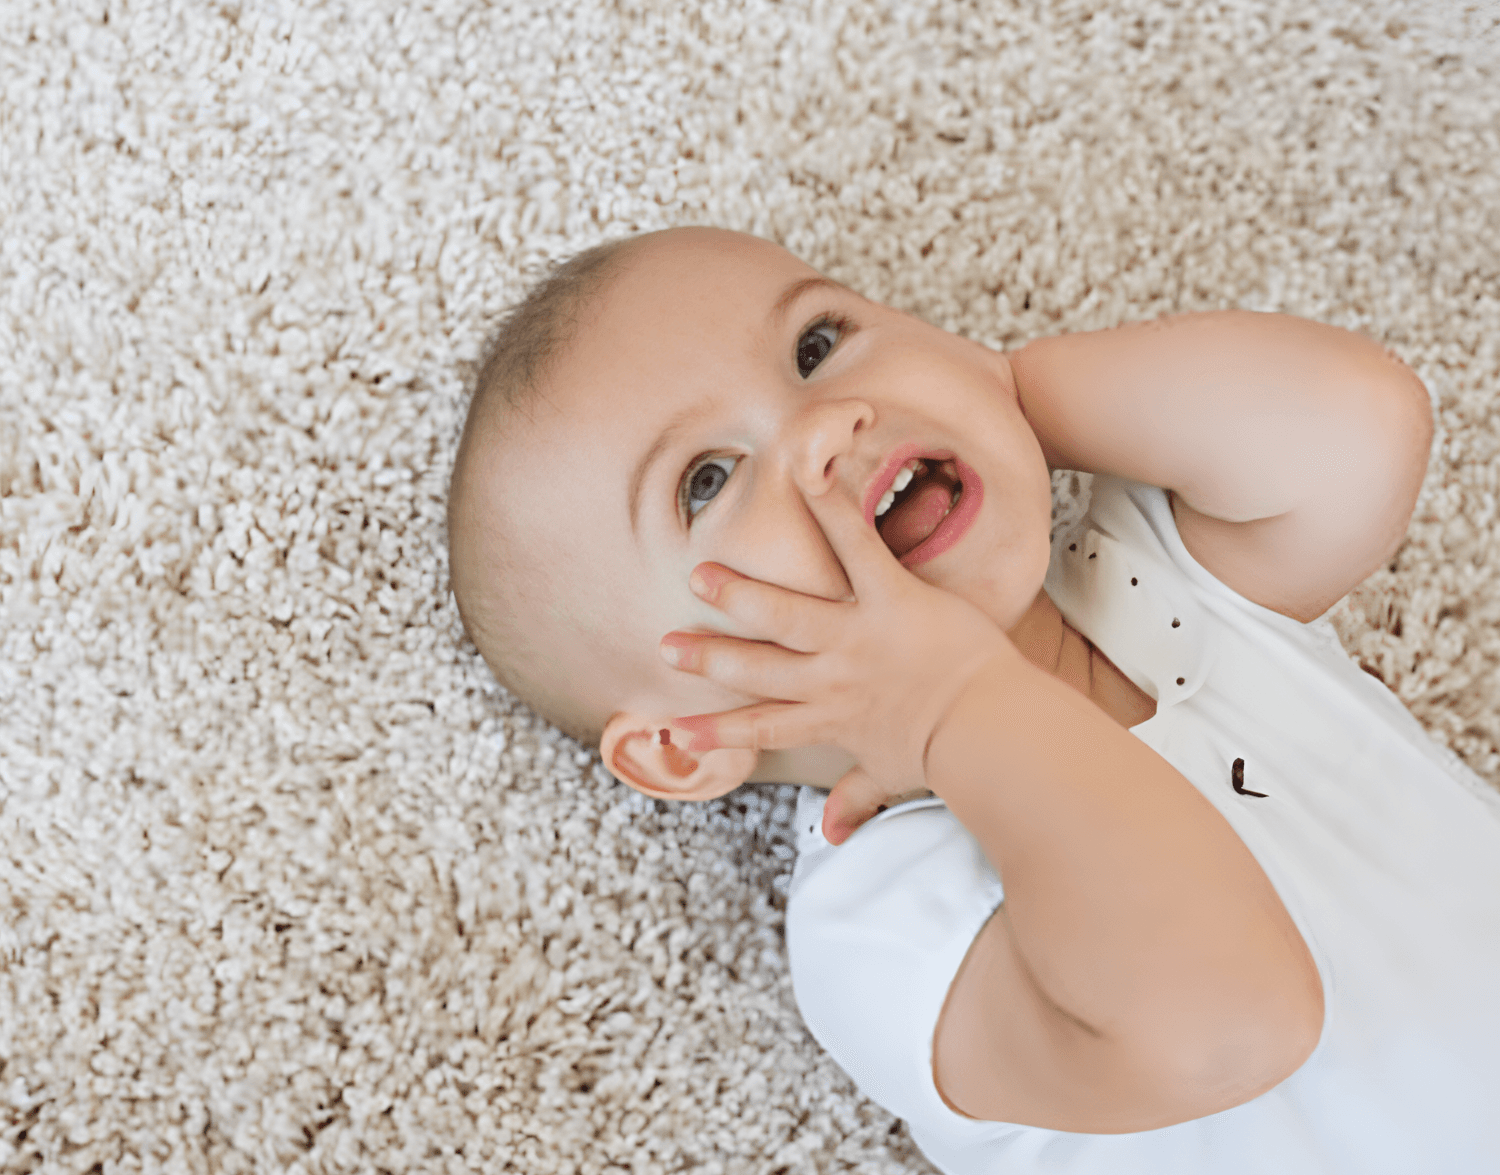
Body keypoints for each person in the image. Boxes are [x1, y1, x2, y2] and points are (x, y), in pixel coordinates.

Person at [445, 226, 1500, 1172]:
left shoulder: (1153, 581)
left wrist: (998, 390)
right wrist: (952, 707)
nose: (826, 424)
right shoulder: (889, 918)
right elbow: (1231, 1025)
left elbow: (1360, 422)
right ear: (684, 740)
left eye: (817, 345)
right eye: (707, 481)